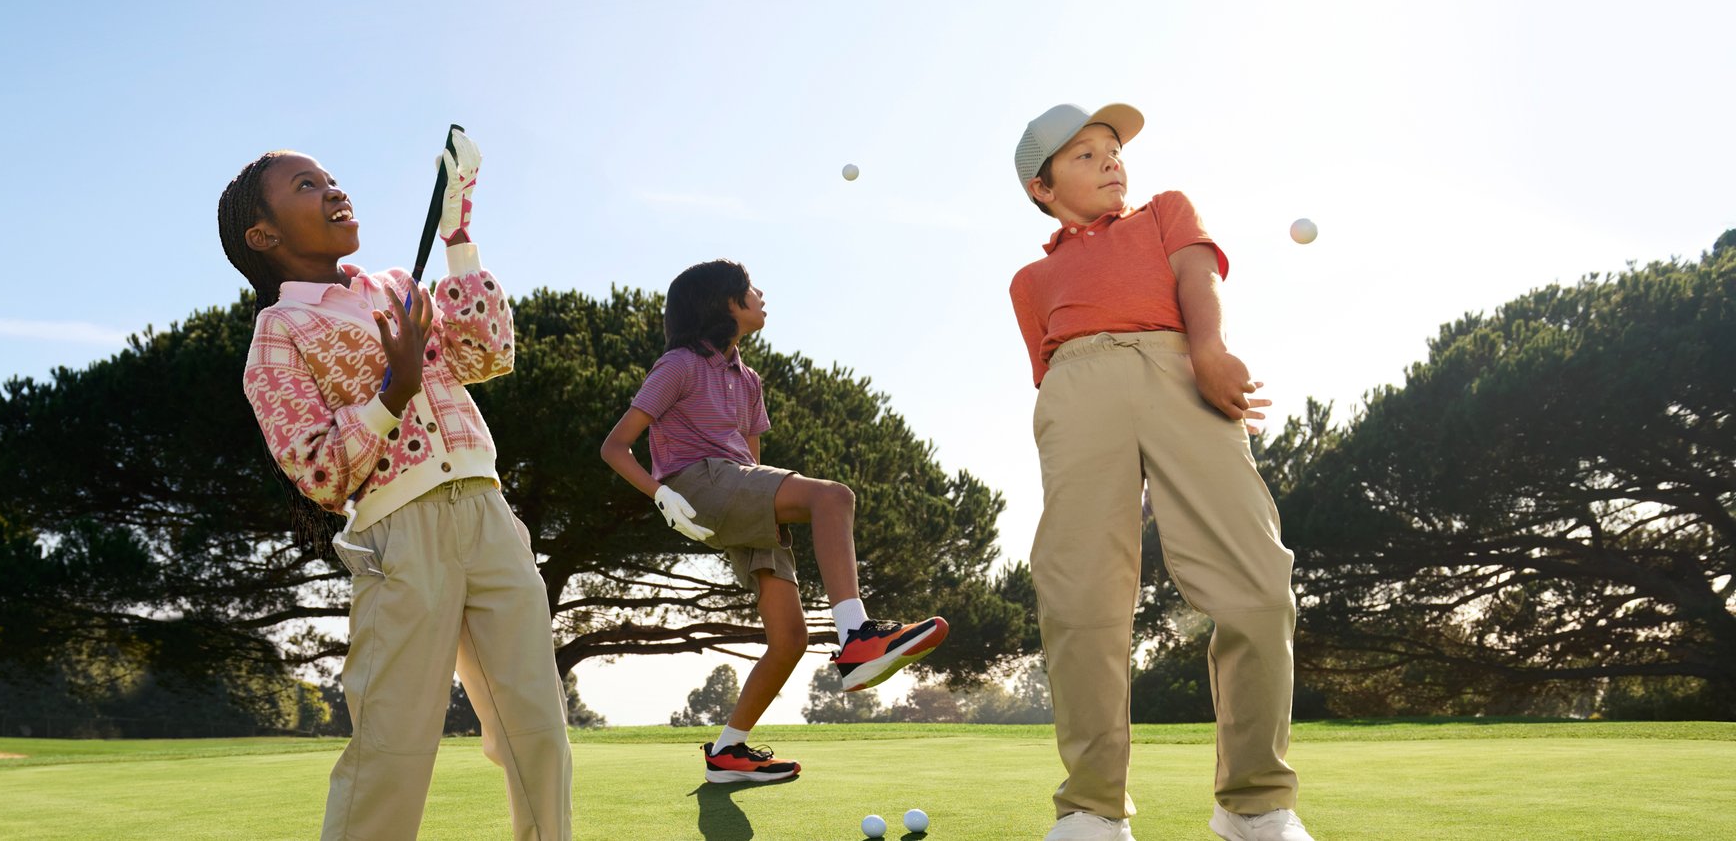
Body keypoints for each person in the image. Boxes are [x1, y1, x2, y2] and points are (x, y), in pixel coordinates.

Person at [220, 135, 569, 841]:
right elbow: (317, 471)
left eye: (331, 178)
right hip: (399, 538)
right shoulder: (278, 332)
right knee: (394, 747)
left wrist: (458, 237)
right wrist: (393, 392)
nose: (332, 189)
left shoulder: (399, 289)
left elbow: (488, 354)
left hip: (489, 514)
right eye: (306, 186)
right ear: (264, 234)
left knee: (537, 730)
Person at [1009, 103, 1313, 841]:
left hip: (1182, 370)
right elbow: (1047, 371)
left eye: (1112, 149)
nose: (1111, 161)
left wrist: (1208, 351)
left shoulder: (1166, 211)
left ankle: (1255, 806)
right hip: (1077, 387)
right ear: (1042, 189)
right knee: (1081, 597)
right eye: (1084, 155)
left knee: (1259, 585)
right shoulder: (1029, 280)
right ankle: (1091, 811)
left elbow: (1198, 280)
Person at [599, 259, 950, 784]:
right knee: (833, 498)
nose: (760, 295)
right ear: (724, 304)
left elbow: (755, 462)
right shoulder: (678, 364)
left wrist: (775, 512)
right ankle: (856, 637)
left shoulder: (749, 380)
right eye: (749, 289)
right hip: (697, 485)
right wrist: (660, 495)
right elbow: (615, 446)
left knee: (789, 639)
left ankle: (727, 753)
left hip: (737, 489)